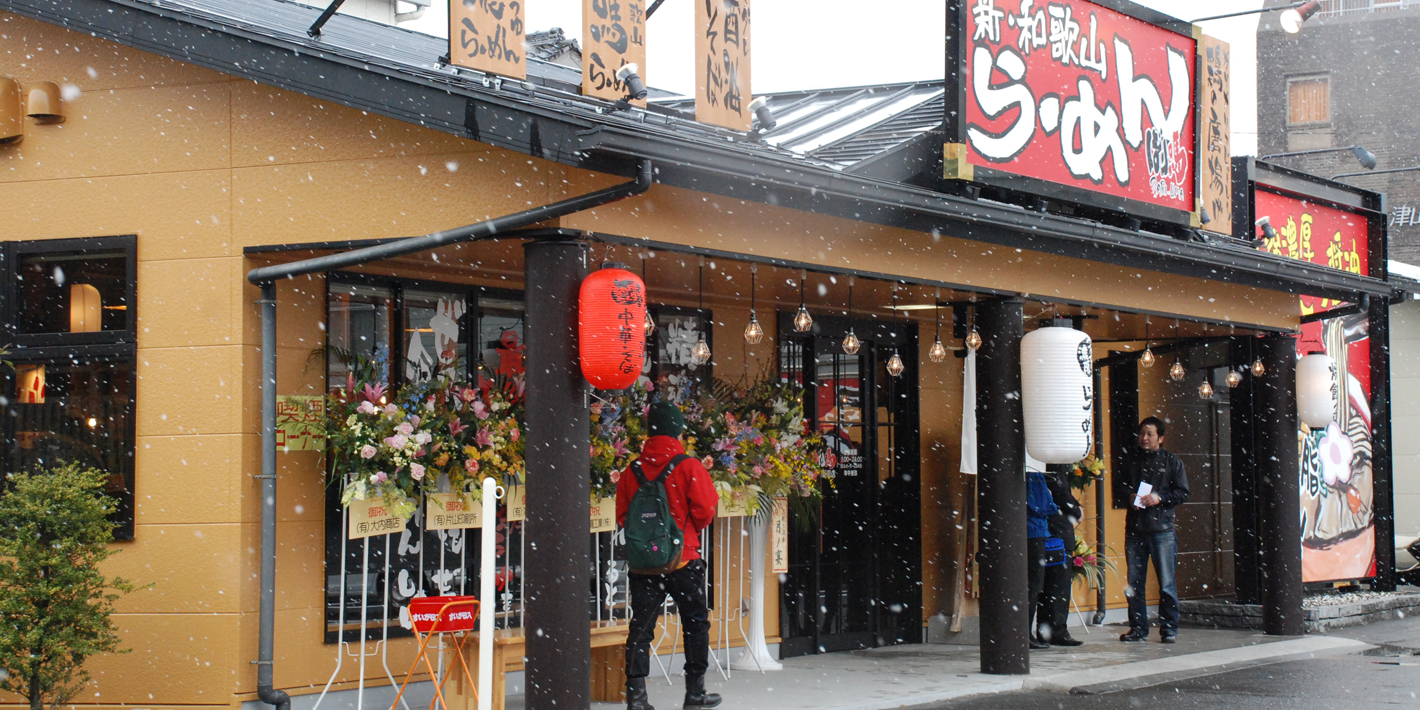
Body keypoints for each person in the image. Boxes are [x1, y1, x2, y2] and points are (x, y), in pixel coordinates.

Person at [617, 401, 722, 710]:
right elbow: (705, 509)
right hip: (683, 559)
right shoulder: (688, 466)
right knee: (695, 624)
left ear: (651, 430)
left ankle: (636, 697)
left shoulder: (631, 470)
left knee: (641, 626)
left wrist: (649, 541)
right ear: (677, 429)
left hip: (643, 564)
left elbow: (624, 516)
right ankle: (695, 693)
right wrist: (686, 533)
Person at [1114, 416, 1190, 644]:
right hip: (1135, 529)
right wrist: (1129, 495)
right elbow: (1118, 486)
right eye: (1142, 434)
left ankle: (1168, 628)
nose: (1144, 438)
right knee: (1134, 583)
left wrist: (1160, 498)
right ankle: (1138, 628)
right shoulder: (1130, 460)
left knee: (1166, 583)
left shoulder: (1172, 462)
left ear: (1161, 438)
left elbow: (1183, 493)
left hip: (1162, 530)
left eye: (1149, 434)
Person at [1037, 466, 1084, 646]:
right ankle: (1055, 630)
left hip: (1052, 530)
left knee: (1050, 585)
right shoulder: (1053, 461)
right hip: (1057, 530)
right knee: (1057, 584)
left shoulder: (1048, 460)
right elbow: (1058, 490)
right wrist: (1076, 509)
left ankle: (1049, 630)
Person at [1026, 468, 1058, 650]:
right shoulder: (1033, 472)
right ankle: (1026, 633)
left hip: (1022, 531)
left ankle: (1023, 631)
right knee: (1033, 585)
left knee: (1027, 584)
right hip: (1034, 531)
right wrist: (1051, 499)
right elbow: (1044, 506)